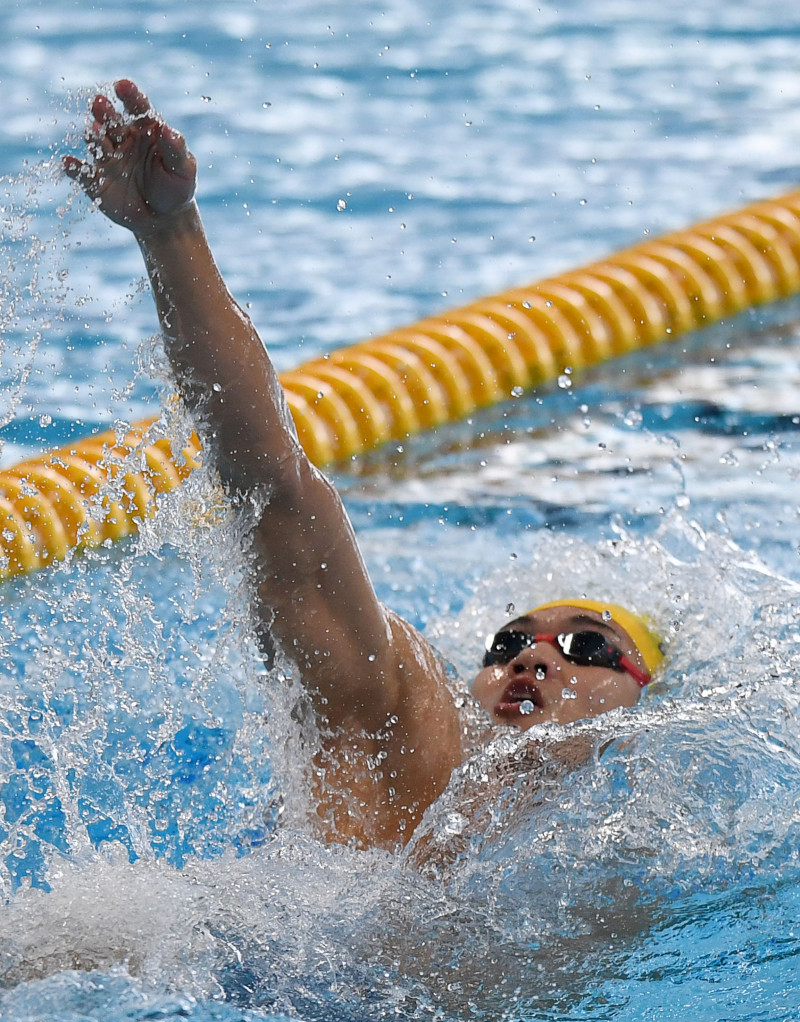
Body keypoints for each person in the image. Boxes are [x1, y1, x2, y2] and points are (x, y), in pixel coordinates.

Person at [64, 81, 663, 852]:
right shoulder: (405, 732)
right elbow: (277, 492)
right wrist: (171, 237)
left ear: (643, 705)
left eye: (589, 649)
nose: (536, 656)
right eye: (507, 645)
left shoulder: (642, 851)